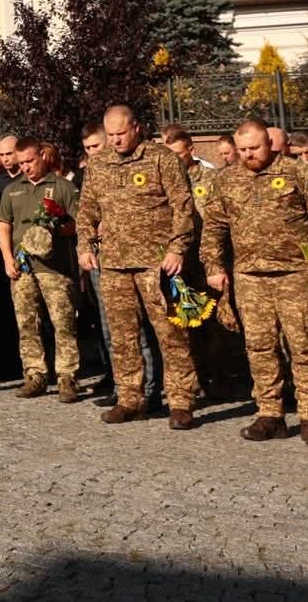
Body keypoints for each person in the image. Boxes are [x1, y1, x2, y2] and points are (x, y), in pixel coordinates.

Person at [201, 118, 308, 446]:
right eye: (242, 149)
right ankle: (270, 414)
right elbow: (214, 226)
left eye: (254, 148)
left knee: (305, 346)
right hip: (249, 276)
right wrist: (213, 266)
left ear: (270, 144)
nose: (248, 155)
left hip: (296, 274)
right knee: (259, 347)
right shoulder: (226, 180)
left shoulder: (302, 173)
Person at [76, 104, 200, 430]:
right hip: (114, 263)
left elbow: (183, 207)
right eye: (111, 134)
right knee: (122, 337)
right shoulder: (99, 163)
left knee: (171, 336)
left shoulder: (162, 158)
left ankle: (181, 401)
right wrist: (84, 246)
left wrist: (177, 249)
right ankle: (130, 398)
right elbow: (87, 210)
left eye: (121, 133)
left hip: (155, 264)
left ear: (136, 128)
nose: (116, 140)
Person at [0, 140, 82, 402]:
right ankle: (35, 375)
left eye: (30, 161)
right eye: (21, 163)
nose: (26, 167)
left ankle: (67, 377)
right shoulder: (12, 189)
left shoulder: (62, 187)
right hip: (22, 269)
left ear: (42, 156)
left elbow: (79, 223)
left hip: (55, 269)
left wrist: (57, 228)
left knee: (63, 324)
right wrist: (7, 259)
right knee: (27, 324)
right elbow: (4, 226)